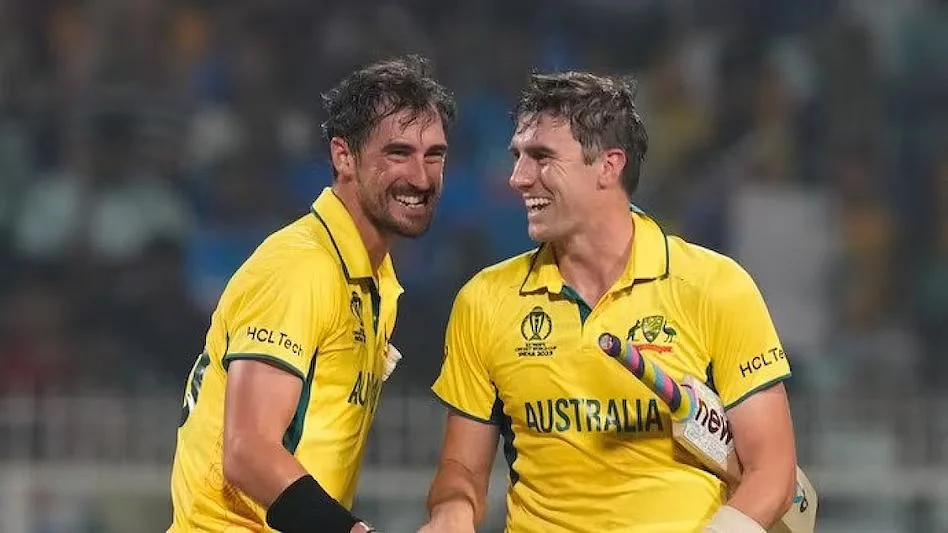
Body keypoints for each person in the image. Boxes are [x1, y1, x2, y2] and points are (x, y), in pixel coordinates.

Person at [420, 71, 798, 532]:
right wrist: (453, 511)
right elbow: (461, 467)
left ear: (608, 165)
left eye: (541, 157)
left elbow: (772, 473)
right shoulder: (484, 300)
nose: (518, 178)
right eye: (517, 156)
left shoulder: (714, 286)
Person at [168, 55, 455, 533]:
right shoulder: (302, 268)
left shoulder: (371, 277)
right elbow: (247, 450)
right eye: (398, 153)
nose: (421, 177)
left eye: (434, 155)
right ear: (344, 156)